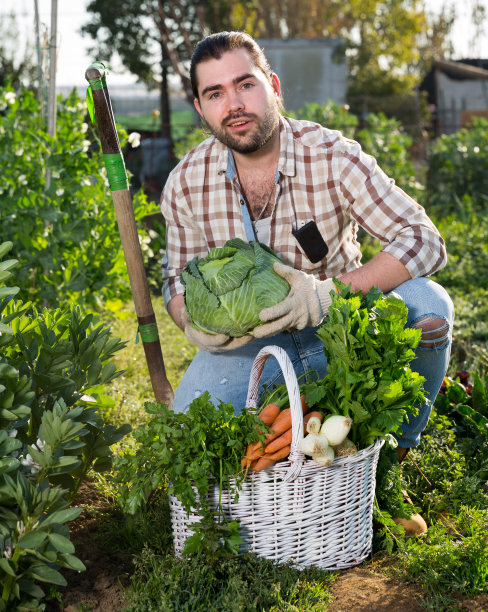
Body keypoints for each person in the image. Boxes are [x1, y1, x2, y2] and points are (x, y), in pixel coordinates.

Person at [160, 32, 454, 469]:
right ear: (201, 110)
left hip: (341, 331)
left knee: (429, 307)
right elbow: (176, 280)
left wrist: (325, 295)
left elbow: (424, 240)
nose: (234, 104)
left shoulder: (332, 156)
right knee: (188, 436)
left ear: (273, 87)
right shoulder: (187, 182)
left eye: (246, 84)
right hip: (252, 351)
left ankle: (394, 457)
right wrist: (188, 317)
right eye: (215, 93)